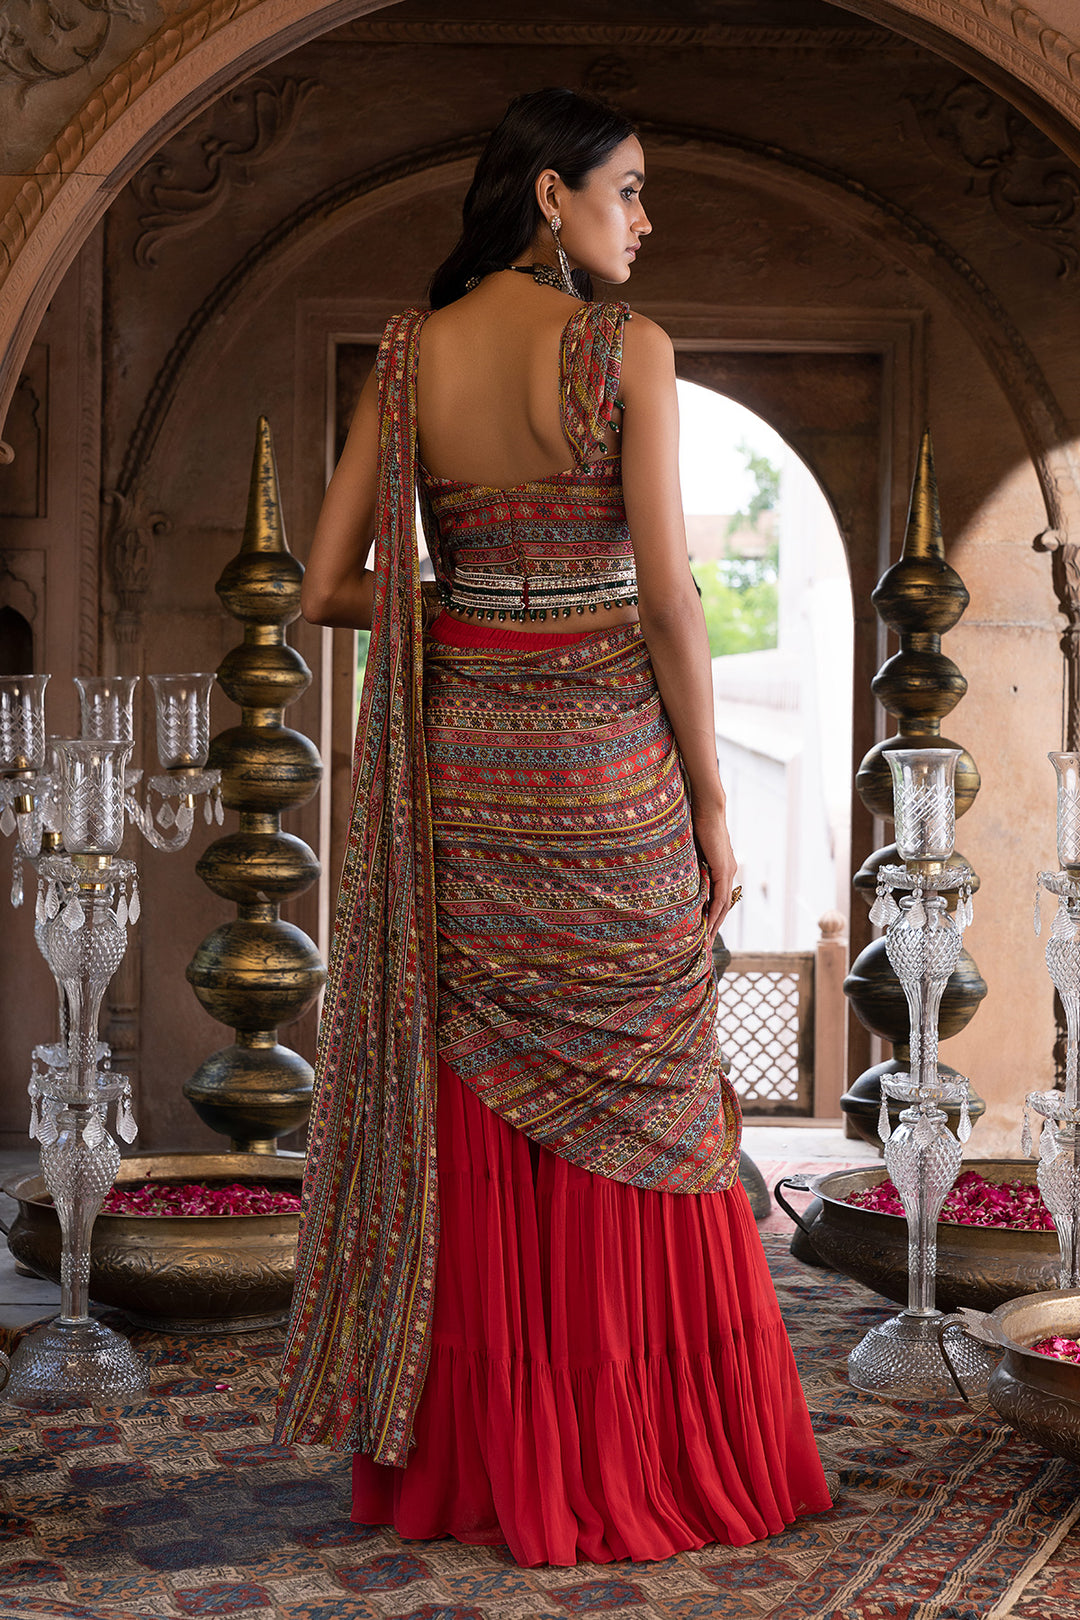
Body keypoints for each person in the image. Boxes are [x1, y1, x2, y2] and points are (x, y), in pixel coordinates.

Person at [276, 87, 831, 1567]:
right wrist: (712, 801)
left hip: (464, 761)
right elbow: (666, 601)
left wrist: (460, 602)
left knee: (486, 1090)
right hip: (606, 767)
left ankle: (482, 1466)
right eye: (630, 191)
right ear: (547, 194)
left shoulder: (409, 354)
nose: (645, 221)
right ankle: (645, 1451)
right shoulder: (621, 352)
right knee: (646, 1097)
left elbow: (330, 587)